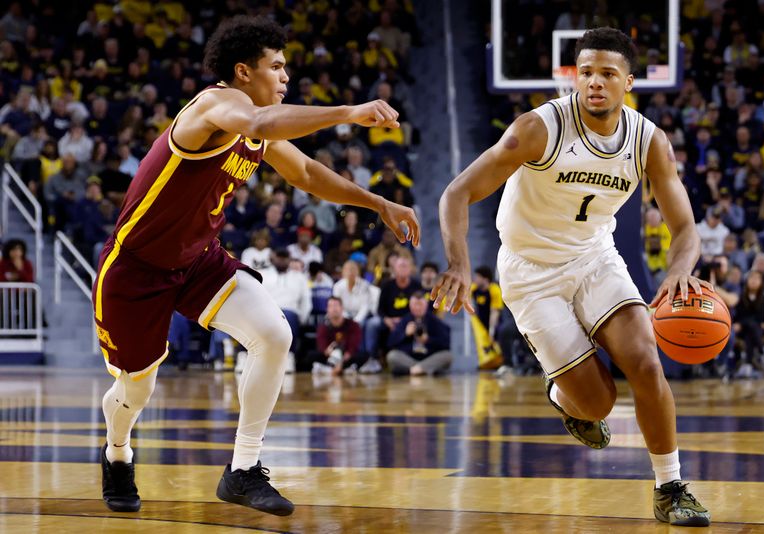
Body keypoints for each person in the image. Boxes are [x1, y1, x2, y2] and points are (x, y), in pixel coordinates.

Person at [92, 17, 419, 517]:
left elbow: (306, 172)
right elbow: (263, 124)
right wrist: (349, 112)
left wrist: (379, 204)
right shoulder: (214, 106)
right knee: (137, 388)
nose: (286, 76)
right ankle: (118, 452)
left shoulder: (256, 128)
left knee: (273, 334)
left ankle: (242, 470)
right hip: (137, 268)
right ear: (243, 72)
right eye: (277, 66)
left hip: (198, 259)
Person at [432, 28, 710, 526]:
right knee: (597, 404)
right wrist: (458, 262)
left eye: (607, 73)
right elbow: (457, 193)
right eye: (585, 73)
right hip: (531, 271)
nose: (594, 82)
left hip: (594, 258)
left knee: (646, 363)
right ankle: (564, 394)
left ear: (629, 82)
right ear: (574, 78)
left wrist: (679, 270)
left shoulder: (648, 141)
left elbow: (686, 228)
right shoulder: (537, 129)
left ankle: (670, 488)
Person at [386, 291, 452, 376]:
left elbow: (446, 343)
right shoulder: (405, 320)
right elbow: (390, 343)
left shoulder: (434, 320)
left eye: (420, 304)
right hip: (410, 358)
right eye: (415, 305)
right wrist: (405, 334)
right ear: (410, 306)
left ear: (426, 305)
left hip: (429, 357)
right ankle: (422, 369)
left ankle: (416, 370)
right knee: (392, 356)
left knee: (448, 356)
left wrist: (428, 340)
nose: (417, 308)